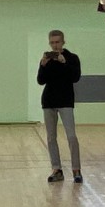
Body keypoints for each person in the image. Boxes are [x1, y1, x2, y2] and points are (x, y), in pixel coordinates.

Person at [37, 29, 82, 184]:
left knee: (71, 136)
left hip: (66, 101)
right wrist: (43, 66)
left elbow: (75, 77)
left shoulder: (72, 58)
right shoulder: (47, 59)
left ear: (63, 42)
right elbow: (40, 81)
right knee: (51, 138)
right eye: (52, 42)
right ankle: (56, 169)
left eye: (57, 42)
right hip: (48, 101)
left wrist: (64, 63)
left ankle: (76, 170)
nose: (55, 45)